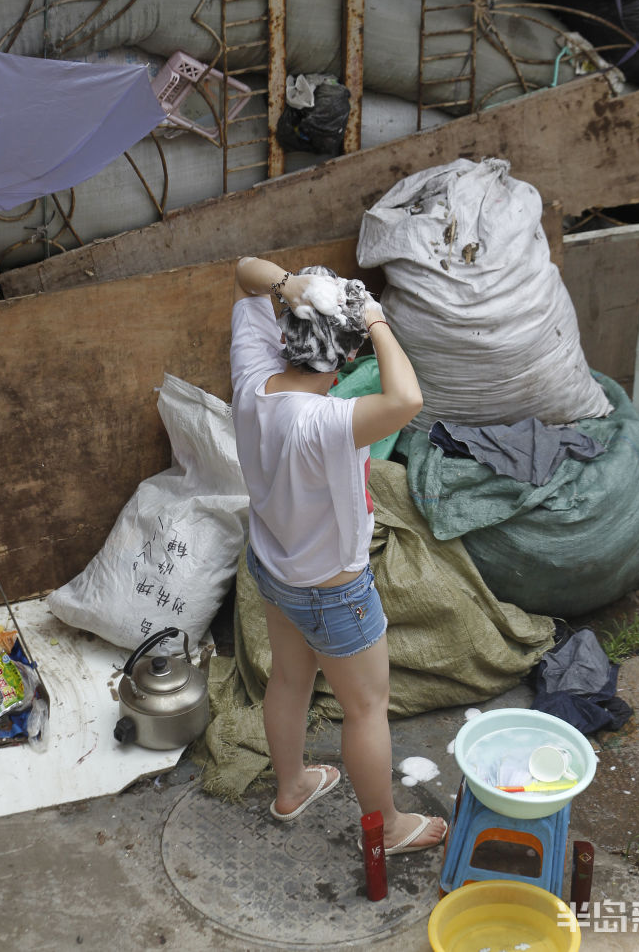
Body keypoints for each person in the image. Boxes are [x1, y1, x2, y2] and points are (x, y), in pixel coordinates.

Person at [230, 255, 447, 855]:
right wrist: (376, 319)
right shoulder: (326, 421)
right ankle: (388, 825)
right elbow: (407, 397)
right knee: (367, 706)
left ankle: (293, 785)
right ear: (348, 357)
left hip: (272, 568)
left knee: (290, 680)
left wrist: (287, 285)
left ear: (287, 335)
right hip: (333, 589)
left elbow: (246, 270)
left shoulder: (253, 377)